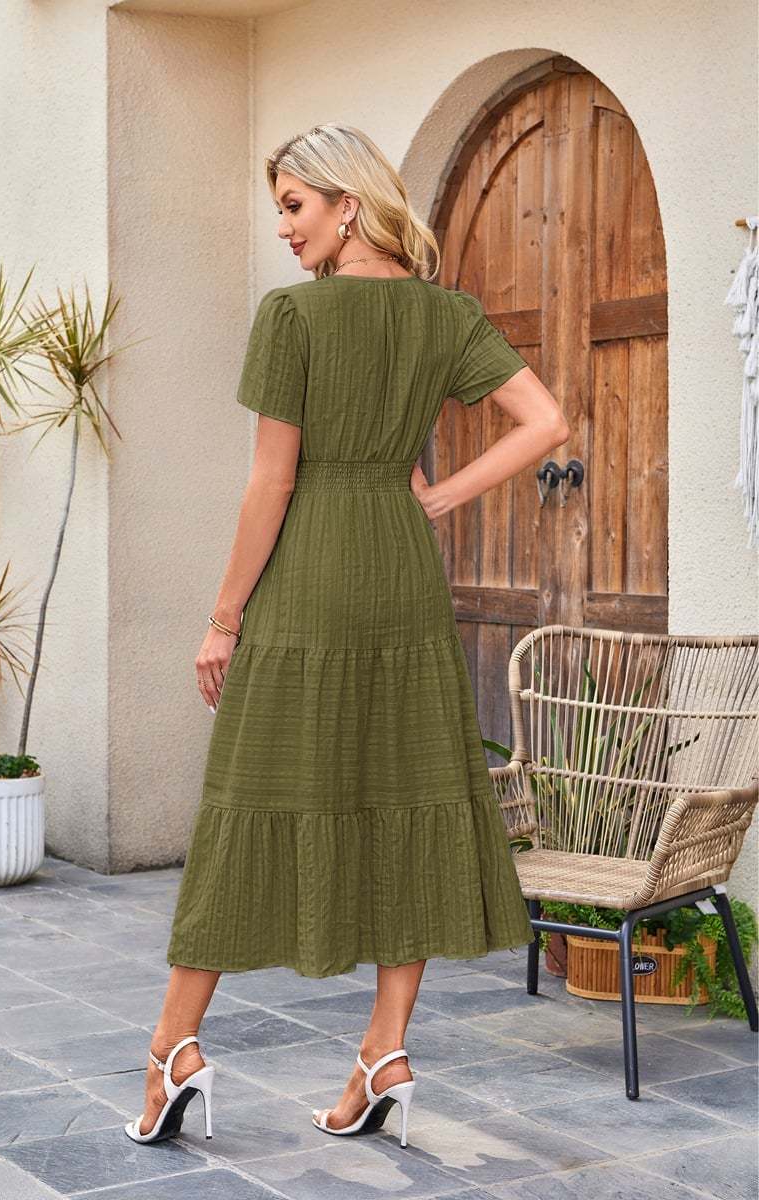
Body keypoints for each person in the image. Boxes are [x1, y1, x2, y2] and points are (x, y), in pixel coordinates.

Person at [125, 123, 569, 1147]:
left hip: (311, 576)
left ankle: (172, 1049)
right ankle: (385, 1052)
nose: (283, 228)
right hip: (402, 574)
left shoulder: (293, 317)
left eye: (294, 206)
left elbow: (271, 483)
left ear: (347, 205)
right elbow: (546, 423)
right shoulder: (446, 314)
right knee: (405, 793)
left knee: (250, 797)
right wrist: (437, 499)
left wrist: (223, 619)